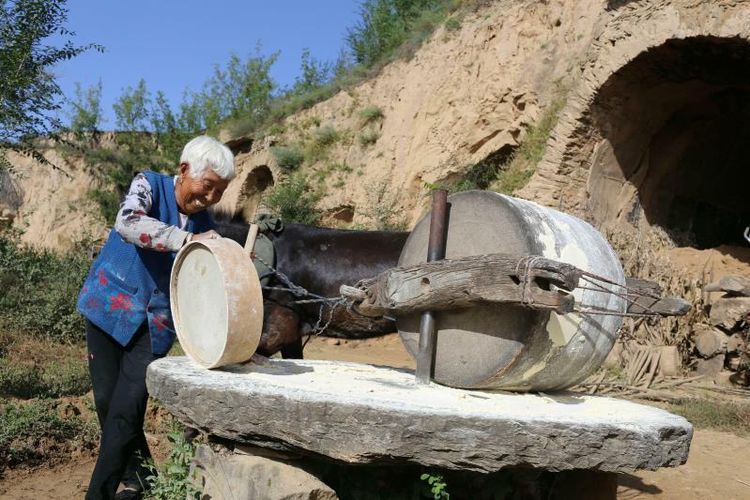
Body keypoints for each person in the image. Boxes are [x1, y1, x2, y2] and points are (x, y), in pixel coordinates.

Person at [77, 135, 235, 499]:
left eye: (220, 191)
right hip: (108, 308)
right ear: (184, 170)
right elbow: (128, 223)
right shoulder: (148, 184)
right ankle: (144, 481)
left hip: (155, 326)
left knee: (127, 409)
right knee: (107, 404)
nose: (211, 197)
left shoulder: (205, 222)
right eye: (208, 185)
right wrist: (186, 240)